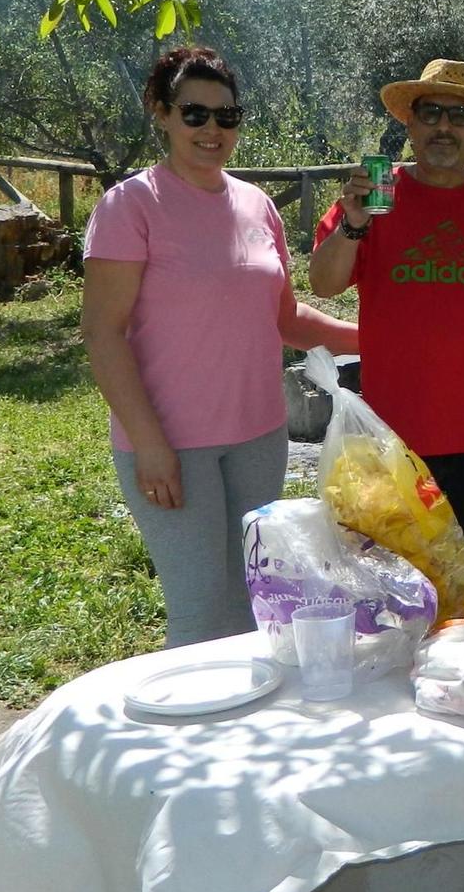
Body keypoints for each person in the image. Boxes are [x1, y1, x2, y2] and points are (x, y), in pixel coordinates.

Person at [82, 45, 360, 648]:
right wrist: (149, 443)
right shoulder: (130, 206)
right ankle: (190, 736)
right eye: (195, 114)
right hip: (171, 443)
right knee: (203, 612)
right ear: (161, 112)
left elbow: (286, 318)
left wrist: (374, 339)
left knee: (253, 602)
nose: (212, 129)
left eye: (226, 117)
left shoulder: (256, 205)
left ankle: (246, 732)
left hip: (260, 435)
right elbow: (102, 333)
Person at [310, 59, 464, 557]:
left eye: (459, 115)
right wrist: (354, 223)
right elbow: (324, 282)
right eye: (431, 112)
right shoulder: (375, 198)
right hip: (389, 437)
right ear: (410, 123)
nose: (443, 126)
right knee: (397, 587)